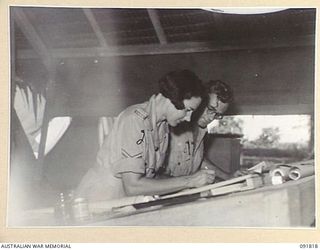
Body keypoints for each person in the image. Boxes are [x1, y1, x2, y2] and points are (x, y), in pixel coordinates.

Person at [76, 70, 215, 201]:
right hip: (98, 204)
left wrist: (187, 190)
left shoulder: (162, 127)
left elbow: (151, 178)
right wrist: (189, 181)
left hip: (122, 204)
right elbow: (133, 186)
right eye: (187, 110)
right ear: (171, 99)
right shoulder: (133, 120)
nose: (189, 118)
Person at [164, 80, 233, 180]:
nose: (211, 118)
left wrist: (228, 177)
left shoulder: (202, 131)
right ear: (200, 101)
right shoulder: (173, 126)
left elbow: (199, 161)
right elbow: (152, 176)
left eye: (217, 114)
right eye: (210, 109)